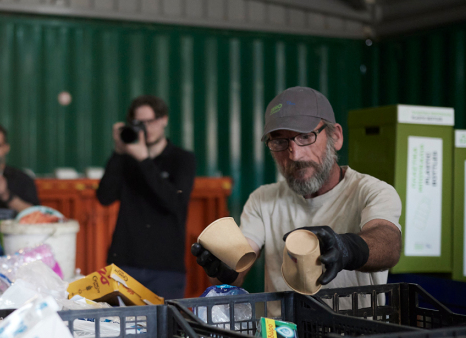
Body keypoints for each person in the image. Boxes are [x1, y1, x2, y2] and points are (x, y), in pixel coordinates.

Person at [191, 86, 402, 292]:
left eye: (305, 136)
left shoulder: (372, 192)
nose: (295, 155)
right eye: (279, 141)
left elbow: (389, 244)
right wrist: (224, 270)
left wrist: (347, 248)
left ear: (335, 137)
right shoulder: (263, 199)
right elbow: (237, 272)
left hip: (351, 317)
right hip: (280, 319)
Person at [96, 96, 197, 300]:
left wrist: (144, 160)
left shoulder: (182, 159)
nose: (146, 128)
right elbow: (104, 197)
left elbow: (174, 202)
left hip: (165, 268)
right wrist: (118, 152)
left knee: (165, 321)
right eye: (139, 123)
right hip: (124, 262)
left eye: (151, 121)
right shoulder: (126, 159)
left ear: (164, 120)